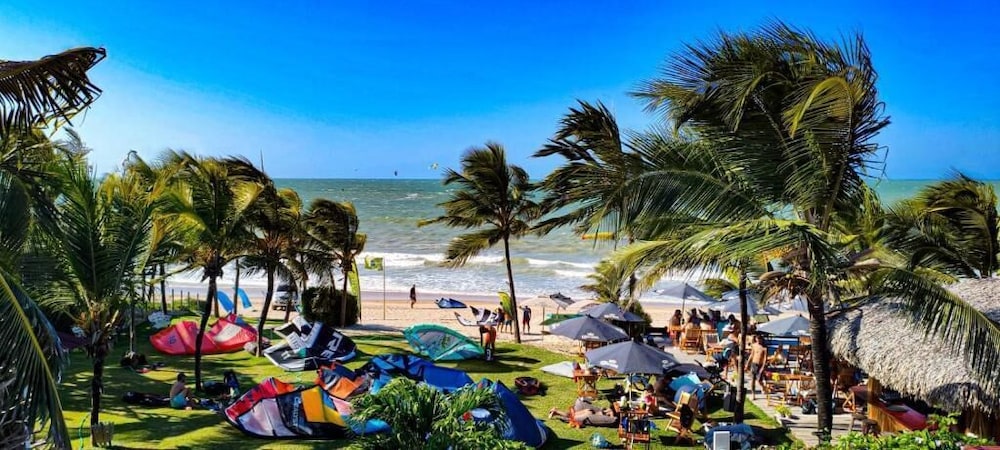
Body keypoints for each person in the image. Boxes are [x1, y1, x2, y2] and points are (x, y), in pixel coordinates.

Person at [746, 335, 768, 399]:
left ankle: (763, 387)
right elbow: (752, 355)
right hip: (753, 364)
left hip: (760, 365)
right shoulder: (754, 345)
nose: (758, 340)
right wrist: (747, 364)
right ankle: (753, 394)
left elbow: (765, 359)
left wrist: (763, 367)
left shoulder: (764, 348)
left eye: (759, 339)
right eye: (757, 339)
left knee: (759, 380)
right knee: (752, 380)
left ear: (761, 339)